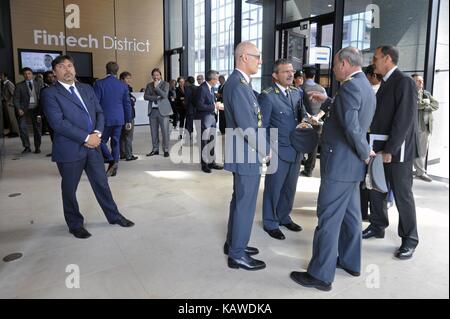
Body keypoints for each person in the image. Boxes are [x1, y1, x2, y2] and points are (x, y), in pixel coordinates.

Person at [290, 47, 376, 291]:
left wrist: (365, 153)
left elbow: (351, 127)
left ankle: (320, 275)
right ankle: (350, 262)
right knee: (351, 218)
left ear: (346, 63)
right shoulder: (364, 86)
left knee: (327, 219)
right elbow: (350, 113)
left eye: (336, 64)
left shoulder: (349, 87)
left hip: (339, 164)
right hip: (351, 168)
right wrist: (326, 100)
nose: (334, 68)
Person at [40, 55, 134, 239]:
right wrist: (85, 137)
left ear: (74, 69)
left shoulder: (87, 88)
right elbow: (58, 123)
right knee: (69, 189)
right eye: (61, 67)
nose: (67, 69)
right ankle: (75, 224)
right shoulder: (50, 94)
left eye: (69, 66)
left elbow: (100, 112)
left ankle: (113, 216)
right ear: (54, 72)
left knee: (102, 183)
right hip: (69, 149)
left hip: (94, 146)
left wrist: (97, 134)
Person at [362, 45, 419, 260]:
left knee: (403, 195)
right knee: (377, 188)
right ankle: (377, 226)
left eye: (376, 58)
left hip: (397, 152)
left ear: (387, 58)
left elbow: (404, 120)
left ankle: (410, 239)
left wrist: (390, 150)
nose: (373, 61)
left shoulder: (404, 82)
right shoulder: (385, 82)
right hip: (379, 148)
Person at [223, 41, 268, 271]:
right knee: (245, 203)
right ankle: (237, 254)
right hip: (246, 152)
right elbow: (248, 126)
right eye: (256, 56)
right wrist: (267, 150)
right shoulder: (239, 85)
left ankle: (234, 243)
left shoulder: (240, 83)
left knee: (239, 200)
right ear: (243, 57)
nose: (260, 61)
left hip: (243, 151)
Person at [259, 59, 309, 240]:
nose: (290, 74)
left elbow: (302, 114)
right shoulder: (267, 95)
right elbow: (262, 126)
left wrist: (306, 122)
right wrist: (265, 149)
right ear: (275, 75)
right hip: (277, 150)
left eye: (292, 71)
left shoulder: (296, 92)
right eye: (285, 71)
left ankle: (284, 216)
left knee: (290, 187)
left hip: (296, 148)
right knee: (274, 188)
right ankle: (270, 222)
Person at [94, 62, 132, 177]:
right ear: (117, 70)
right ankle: (114, 168)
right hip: (119, 119)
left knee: (100, 142)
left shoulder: (99, 83)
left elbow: (95, 102)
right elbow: (127, 104)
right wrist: (128, 120)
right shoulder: (123, 85)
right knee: (115, 143)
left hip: (104, 119)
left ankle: (111, 160)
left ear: (106, 70)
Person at [193, 69, 224, 173]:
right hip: (204, 118)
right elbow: (199, 105)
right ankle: (204, 164)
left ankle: (211, 162)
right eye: (217, 79)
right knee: (204, 142)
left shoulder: (210, 88)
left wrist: (216, 106)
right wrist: (214, 106)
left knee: (212, 140)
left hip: (211, 118)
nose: (218, 81)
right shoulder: (202, 89)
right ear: (212, 79)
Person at [412, 74, 439, 182]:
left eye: (422, 81)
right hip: (417, 126)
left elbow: (436, 104)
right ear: (413, 81)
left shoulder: (426, 93)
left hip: (427, 126)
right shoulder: (411, 93)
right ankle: (420, 172)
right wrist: (426, 104)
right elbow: (416, 104)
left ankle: (420, 171)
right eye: (418, 81)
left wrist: (426, 105)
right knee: (417, 150)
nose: (421, 83)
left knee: (423, 151)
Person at [301, 65, 327, 177]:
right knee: (314, 146)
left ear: (303, 75)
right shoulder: (321, 89)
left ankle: (300, 162)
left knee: (300, 142)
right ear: (314, 75)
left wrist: (309, 116)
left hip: (305, 121)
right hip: (318, 121)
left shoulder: (300, 89)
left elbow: (299, 106)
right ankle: (309, 170)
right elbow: (326, 106)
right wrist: (316, 117)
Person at [14, 67, 43, 154]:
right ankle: (27, 147)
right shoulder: (19, 85)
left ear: (32, 74)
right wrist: (18, 108)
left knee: (37, 129)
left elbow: (42, 97)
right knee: (23, 129)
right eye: (25, 74)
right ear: (23, 75)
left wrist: (41, 110)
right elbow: (16, 99)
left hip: (36, 110)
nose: (27, 75)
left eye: (29, 73)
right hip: (23, 110)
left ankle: (37, 147)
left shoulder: (38, 84)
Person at [144, 68, 172, 157]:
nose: (156, 76)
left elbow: (164, 95)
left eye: (157, 75)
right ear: (152, 76)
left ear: (160, 75)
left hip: (163, 111)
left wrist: (156, 88)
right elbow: (145, 96)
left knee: (165, 131)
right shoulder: (149, 85)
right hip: (152, 111)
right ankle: (155, 149)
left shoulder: (165, 84)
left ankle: (166, 149)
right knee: (153, 132)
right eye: (154, 75)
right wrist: (156, 98)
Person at [119, 71, 138, 161]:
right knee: (128, 136)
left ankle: (122, 154)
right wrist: (132, 100)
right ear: (122, 79)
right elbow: (128, 102)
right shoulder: (124, 89)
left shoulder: (128, 88)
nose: (129, 80)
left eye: (130, 78)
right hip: (128, 115)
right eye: (127, 78)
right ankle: (129, 155)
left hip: (122, 115)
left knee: (122, 136)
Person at [0, 72, 19, 138]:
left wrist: (10, 102)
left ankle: (15, 132)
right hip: (5, 104)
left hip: (9, 104)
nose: (0, 77)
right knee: (8, 118)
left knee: (12, 118)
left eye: (1, 76)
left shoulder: (9, 84)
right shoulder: (4, 84)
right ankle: (11, 131)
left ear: (5, 77)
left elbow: (13, 94)